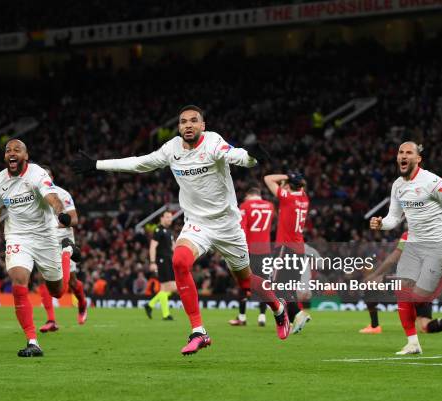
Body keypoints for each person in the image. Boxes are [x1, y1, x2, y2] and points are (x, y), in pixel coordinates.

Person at [71, 105, 290, 355]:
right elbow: (140, 163)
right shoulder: (171, 149)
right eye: (183, 121)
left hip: (228, 226)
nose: (188, 125)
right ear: (178, 127)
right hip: (197, 224)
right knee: (179, 261)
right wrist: (96, 165)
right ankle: (199, 331)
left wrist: (251, 157)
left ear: (202, 126)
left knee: (246, 284)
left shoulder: (213, 142)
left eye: (194, 121)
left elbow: (236, 155)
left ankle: (278, 308)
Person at [370, 141, 442, 355]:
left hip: (438, 246)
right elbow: (394, 218)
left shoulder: (432, 182)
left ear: (418, 159)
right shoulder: (398, 185)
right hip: (415, 246)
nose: (403, 156)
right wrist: (381, 224)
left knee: (417, 295)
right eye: (400, 152)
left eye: (408, 153)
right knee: (402, 290)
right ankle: (413, 343)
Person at [0, 139, 75, 358]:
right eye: (8, 150)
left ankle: (65, 254)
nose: (12, 153)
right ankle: (32, 341)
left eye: (17, 150)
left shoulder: (37, 174)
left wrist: (60, 213)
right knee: (19, 281)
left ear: (26, 156)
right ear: (5, 157)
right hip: (17, 236)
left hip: (45, 236)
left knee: (58, 292)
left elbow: (52, 198)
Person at [360, 231, 442, 338]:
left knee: (369, 284)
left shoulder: (409, 235)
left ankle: (375, 326)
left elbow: (393, 259)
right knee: (425, 326)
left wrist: (374, 275)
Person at [38, 165, 88, 333]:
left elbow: (74, 220)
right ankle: (51, 320)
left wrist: (56, 223)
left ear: (51, 177)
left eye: (46, 175)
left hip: (63, 239)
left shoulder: (63, 194)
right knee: (44, 278)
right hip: (44, 240)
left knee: (72, 282)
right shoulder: (34, 195)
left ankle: (82, 304)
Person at [264, 171, 311, 334]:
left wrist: (285, 176)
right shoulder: (305, 199)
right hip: (299, 249)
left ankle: (298, 314)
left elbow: (267, 179)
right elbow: (300, 185)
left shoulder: (287, 198)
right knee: (288, 287)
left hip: (285, 248)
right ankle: (293, 320)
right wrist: (290, 180)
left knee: (277, 286)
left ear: (289, 186)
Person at [228, 186, 274, 327]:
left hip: (249, 251)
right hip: (266, 251)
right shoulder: (270, 206)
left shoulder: (245, 205)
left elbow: (242, 228)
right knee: (264, 285)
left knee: (244, 284)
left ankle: (242, 317)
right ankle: (262, 317)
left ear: (249, 195)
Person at [145, 210, 176, 321]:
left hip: (169, 261)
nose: (170, 219)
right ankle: (165, 314)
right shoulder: (158, 230)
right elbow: (152, 247)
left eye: (171, 217)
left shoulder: (169, 231)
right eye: (167, 217)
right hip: (162, 261)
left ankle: (150, 305)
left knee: (170, 288)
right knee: (168, 287)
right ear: (161, 218)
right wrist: (153, 262)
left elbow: (173, 247)